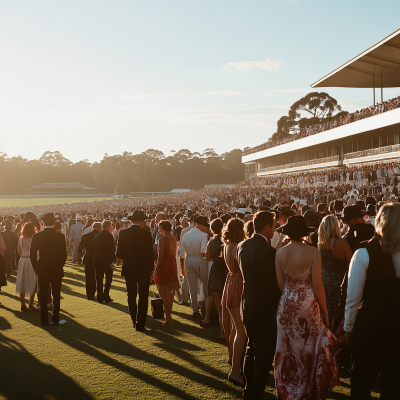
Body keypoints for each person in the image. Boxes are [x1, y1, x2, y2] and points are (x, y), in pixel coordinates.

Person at [275, 215, 339, 399]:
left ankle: (289, 390)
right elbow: (318, 285)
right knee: (309, 350)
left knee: (287, 350)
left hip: (286, 305)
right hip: (307, 305)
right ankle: (308, 390)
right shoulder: (312, 252)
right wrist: (325, 312)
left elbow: (281, 284)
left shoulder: (279, 253)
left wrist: (291, 295)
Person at [342, 202, 400, 398]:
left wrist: (348, 328)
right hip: (395, 326)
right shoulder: (364, 251)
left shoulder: (364, 252)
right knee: (392, 384)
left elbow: (353, 297)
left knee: (361, 383)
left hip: (370, 326)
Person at [238, 211, 280, 399]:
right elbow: (270, 287)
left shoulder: (242, 245)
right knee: (263, 355)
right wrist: (279, 309)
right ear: (267, 227)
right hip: (263, 308)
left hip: (247, 304)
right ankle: (254, 393)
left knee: (250, 349)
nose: (275, 229)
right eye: (274, 225)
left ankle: (248, 389)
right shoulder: (267, 251)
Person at [116, 210, 154, 332]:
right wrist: (151, 269)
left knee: (131, 294)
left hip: (129, 267)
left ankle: (134, 320)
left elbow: (119, 252)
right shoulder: (146, 234)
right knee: (143, 296)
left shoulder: (123, 233)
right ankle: (140, 323)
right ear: (142, 222)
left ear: (131, 221)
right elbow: (150, 253)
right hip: (143, 267)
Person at [30, 213, 67, 326]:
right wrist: (59, 264)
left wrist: (36, 268)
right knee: (56, 294)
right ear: (54, 223)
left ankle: (44, 320)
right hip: (56, 267)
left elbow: (32, 254)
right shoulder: (60, 236)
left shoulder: (37, 236)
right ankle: (55, 319)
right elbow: (64, 255)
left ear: (43, 223)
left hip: (43, 267)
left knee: (43, 294)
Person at [221, 218, 246, 386]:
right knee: (241, 331)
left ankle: (232, 359)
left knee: (234, 328)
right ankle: (235, 371)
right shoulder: (237, 247)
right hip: (237, 283)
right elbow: (244, 269)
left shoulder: (226, 245)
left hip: (230, 281)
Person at [318, 215, 352, 324]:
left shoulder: (321, 244)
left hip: (323, 281)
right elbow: (352, 262)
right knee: (335, 310)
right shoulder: (341, 243)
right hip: (338, 281)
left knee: (325, 309)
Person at [202, 218, 228, 339]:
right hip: (227, 273)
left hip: (216, 273)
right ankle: (229, 332)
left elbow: (208, 258)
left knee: (220, 310)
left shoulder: (211, 242)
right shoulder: (227, 241)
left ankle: (223, 333)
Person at [180, 216, 209, 318]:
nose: (205, 228)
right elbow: (203, 250)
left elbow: (182, 253)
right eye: (205, 226)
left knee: (192, 286)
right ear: (200, 225)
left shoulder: (186, 235)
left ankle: (195, 310)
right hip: (199, 260)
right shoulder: (203, 235)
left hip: (189, 260)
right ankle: (206, 307)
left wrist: (183, 266)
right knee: (206, 284)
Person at [153, 220, 179, 325]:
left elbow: (161, 256)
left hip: (165, 265)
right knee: (169, 293)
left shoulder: (162, 240)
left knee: (164, 294)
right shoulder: (173, 238)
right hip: (172, 264)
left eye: (159, 228)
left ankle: (168, 317)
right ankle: (169, 316)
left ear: (164, 228)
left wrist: (156, 269)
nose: (158, 230)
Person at [90, 220, 115, 304]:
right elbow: (112, 250)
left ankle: (99, 296)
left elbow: (91, 250)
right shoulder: (110, 236)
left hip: (97, 260)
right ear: (109, 226)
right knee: (108, 279)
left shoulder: (97, 236)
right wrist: (112, 262)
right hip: (106, 261)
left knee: (99, 279)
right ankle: (106, 295)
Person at [15, 222, 38, 310]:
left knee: (22, 280)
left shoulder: (21, 239)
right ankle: (31, 304)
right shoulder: (34, 238)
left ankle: (22, 304)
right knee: (32, 280)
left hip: (23, 260)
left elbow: (19, 251)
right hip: (32, 260)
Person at [77, 221, 102, 300]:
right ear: (99, 228)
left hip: (87, 257)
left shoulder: (85, 236)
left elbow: (79, 249)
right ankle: (98, 293)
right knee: (98, 276)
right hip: (98, 257)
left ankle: (89, 294)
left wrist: (79, 258)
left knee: (88, 277)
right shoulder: (100, 236)